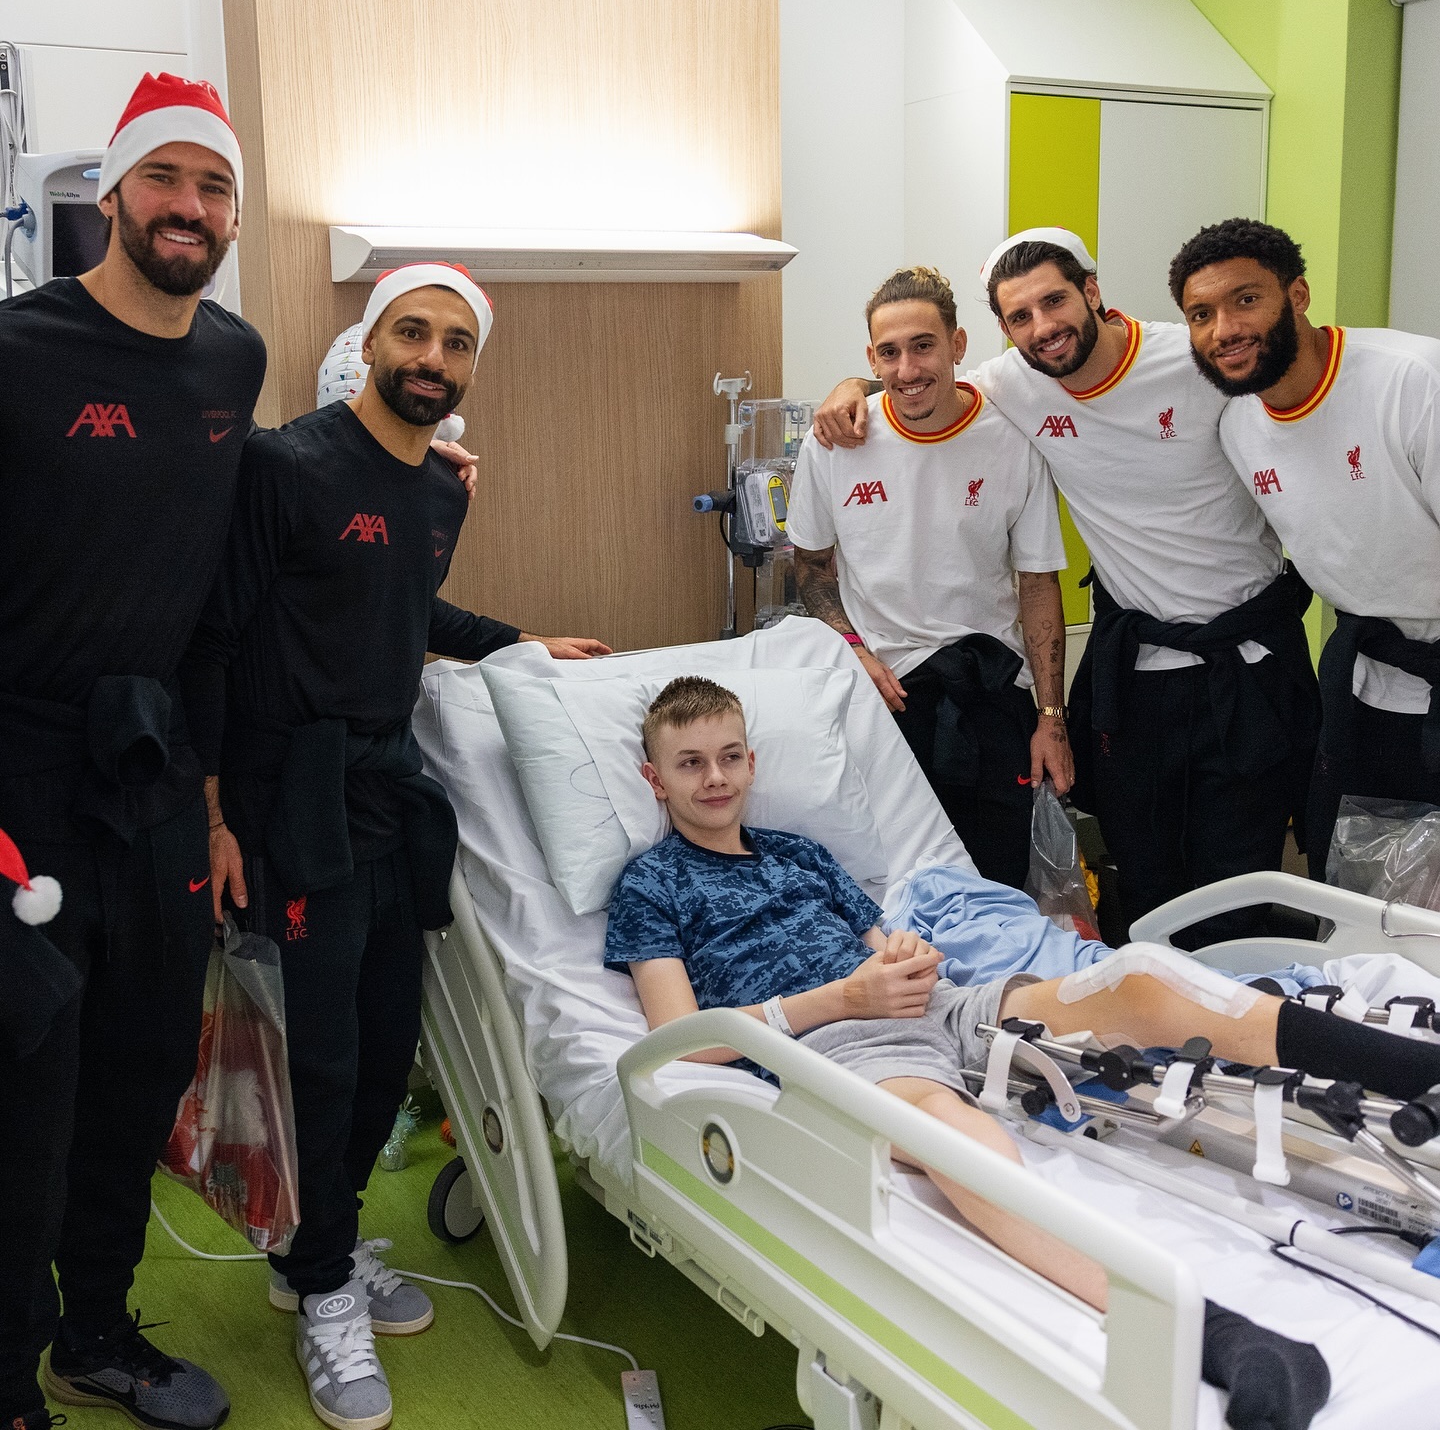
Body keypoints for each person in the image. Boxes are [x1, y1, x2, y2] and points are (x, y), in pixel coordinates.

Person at [606, 676, 1440, 1430]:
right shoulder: (651, 886)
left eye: (727, 757)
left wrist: (902, 958)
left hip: (932, 1003)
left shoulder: (801, 855)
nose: (713, 779)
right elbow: (679, 1042)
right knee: (954, 1138)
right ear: (656, 779)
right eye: (689, 764)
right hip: (836, 1040)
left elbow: (879, 939)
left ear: (752, 761)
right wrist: (843, 1000)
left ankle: (1416, 1068)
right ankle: (1232, 1339)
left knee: (1140, 982)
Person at [181, 261, 610, 1430]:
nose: (432, 357)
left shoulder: (441, 491)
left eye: (455, 343)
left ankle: (316, 1245)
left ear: (472, 366)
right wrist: (217, 814)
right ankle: (320, 1289)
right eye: (411, 334)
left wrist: (519, 642)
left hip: (387, 793)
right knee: (316, 1056)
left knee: (382, 1052)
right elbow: (212, 642)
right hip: (287, 800)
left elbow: (404, 611)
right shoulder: (285, 467)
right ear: (368, 343)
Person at [0, 73, 266, 1430]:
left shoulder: (235, 359)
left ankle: (94, 1331)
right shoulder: (17, 350)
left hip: (155, 772)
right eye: (166, 179)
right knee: (24, 1088)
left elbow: (224, 585)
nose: (190, 207)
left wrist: (213, 798)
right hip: (22, 769)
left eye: (214, 186)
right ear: (113, 194)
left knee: (141, 1065)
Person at [813, 231, 1319, 943]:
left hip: (1246, 664)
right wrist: (848, 389)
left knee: (1235, 889)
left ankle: (1245, 1029)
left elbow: (1291, 377)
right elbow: (914, 380)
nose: (1043, 328)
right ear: (998, 333)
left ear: (1092, 290)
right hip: (1135, 671)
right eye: (1020, 317)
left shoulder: (1193, 358)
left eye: (1054, 301)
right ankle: (1156, 1039)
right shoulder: (1015, 382)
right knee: (1141, 886)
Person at [1169, 218, 1440, 880]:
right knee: (1357, 887)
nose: (1223, 329)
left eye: (1246, 300)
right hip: (1366, 684)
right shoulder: (1238, 425)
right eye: (1201, 314)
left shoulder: (1413, 380)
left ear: (1298, 296)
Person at [787, 267, 1070, 889]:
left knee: (996, 887)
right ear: (870, 358)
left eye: (923, 346)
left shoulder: (1011, 439)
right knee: (893, 891)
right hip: (883, 697)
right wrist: (852, 646)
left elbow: (1039, 584)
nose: (907, 369)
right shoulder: (835, 444)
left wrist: (1051, 718)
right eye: (888, 352)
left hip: (992, 695)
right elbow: (810, 565)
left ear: (958, 346)